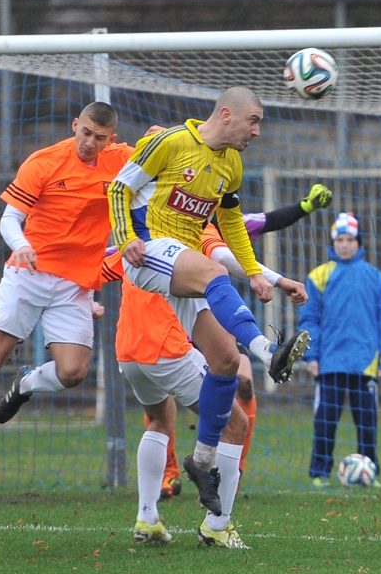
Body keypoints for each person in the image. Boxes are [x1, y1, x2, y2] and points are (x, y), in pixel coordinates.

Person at [106, 86, 310, 516]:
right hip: (147, 254)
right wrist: (126, 240)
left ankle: (201, 462)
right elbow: (118, 190)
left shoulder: (231, 165)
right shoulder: (172, 141)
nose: (257, 131)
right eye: (253, 120)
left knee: (222, 361)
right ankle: (269, 351)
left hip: (182, 268)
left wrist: (256, 273)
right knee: (215, 275)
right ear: (226, 115)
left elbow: (232, 221)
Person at [0, 102, 136, 466]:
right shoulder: (44, 161)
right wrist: (23, 245)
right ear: (75, 124)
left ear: (112, 139)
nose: (90, 144)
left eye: (100, 138)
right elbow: (10, 219)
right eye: (85, 134)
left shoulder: (121, 159)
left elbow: (162, 152)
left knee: (73, 372)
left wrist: (162, 138)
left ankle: (27, 384)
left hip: (75, 285)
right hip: (28, 273)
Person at [102, 221, 308, 548]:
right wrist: (277, 279)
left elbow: (98, 266)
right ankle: (217, 524)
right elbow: (225, 256)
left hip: (128, 349)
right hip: (168, 349)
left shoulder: (137, 231)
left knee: (160, 419)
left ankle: (147, 517)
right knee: (236, 424)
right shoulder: (189, 218)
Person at [152, 184, 334, 500]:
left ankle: (231, 466)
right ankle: (169, 474)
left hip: (216, 320)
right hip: (169, 324)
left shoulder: (218, 222)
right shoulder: (153, 222)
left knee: (243, 381)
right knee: (161, 404)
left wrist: (305, 207)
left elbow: (268, 221)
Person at [298, 212, 381, 488]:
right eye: (339, 239)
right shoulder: (319, 276)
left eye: (349, 239)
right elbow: (309, 320)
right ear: (333, 242)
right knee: (325, 422)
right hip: (330, 362)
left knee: (367, 423)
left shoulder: (375, 277)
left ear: (358, 241)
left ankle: (370, 470)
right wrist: (311, 355)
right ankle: (320, 472)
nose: (344, 244)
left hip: (365, 362)